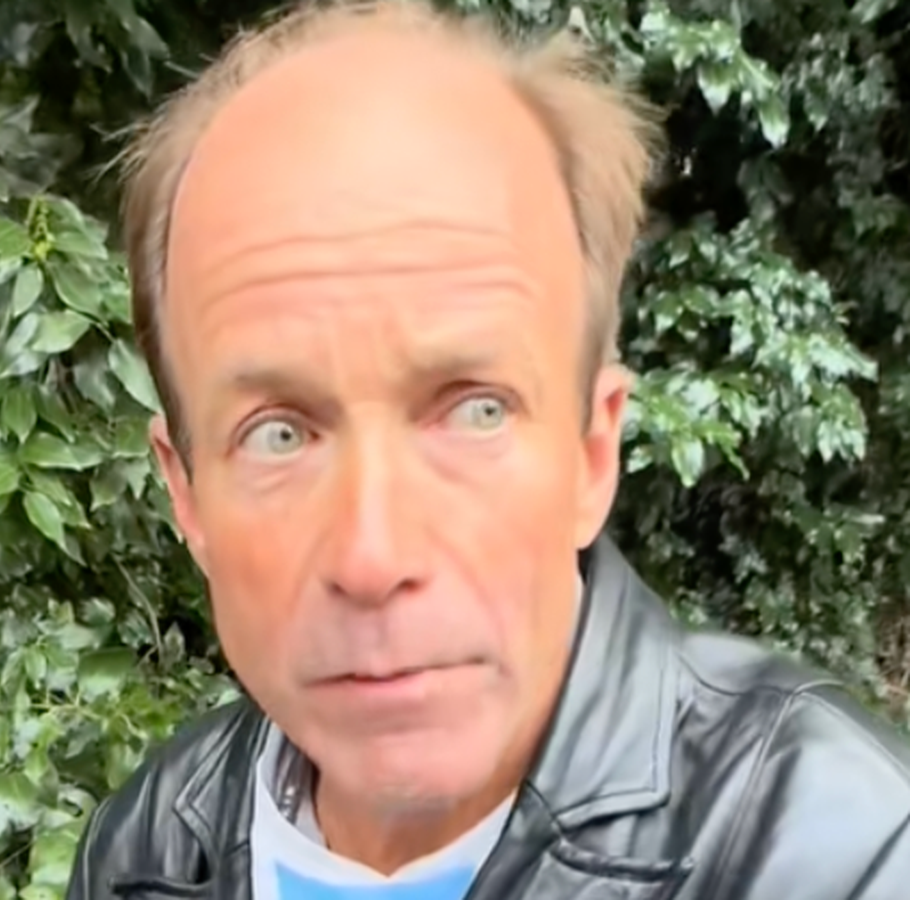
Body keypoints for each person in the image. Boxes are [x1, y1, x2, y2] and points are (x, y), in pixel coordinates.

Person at [65, 2, 910, 899]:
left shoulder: (835, 851)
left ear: (592, 452)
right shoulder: (149, 848)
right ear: (187, 493)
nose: (373, 557)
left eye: (475, 412)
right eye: (279, 435)